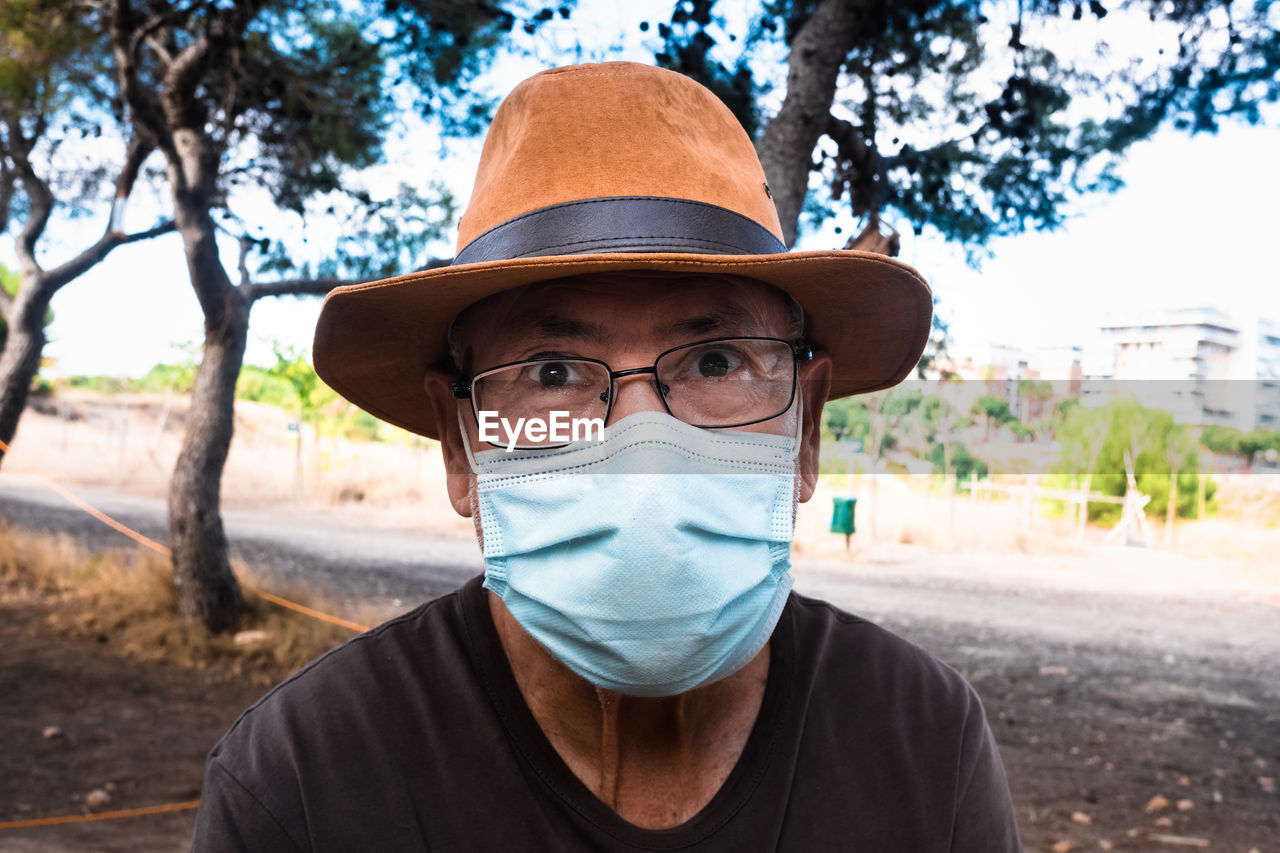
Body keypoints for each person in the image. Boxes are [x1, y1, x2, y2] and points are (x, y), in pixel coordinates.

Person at [192, 62, 1022, 851]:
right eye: (552, 372)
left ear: (805, 433)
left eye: (715, 362)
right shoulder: (304, 778)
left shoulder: (925, 740)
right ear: (463, 442)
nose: (643, 460)